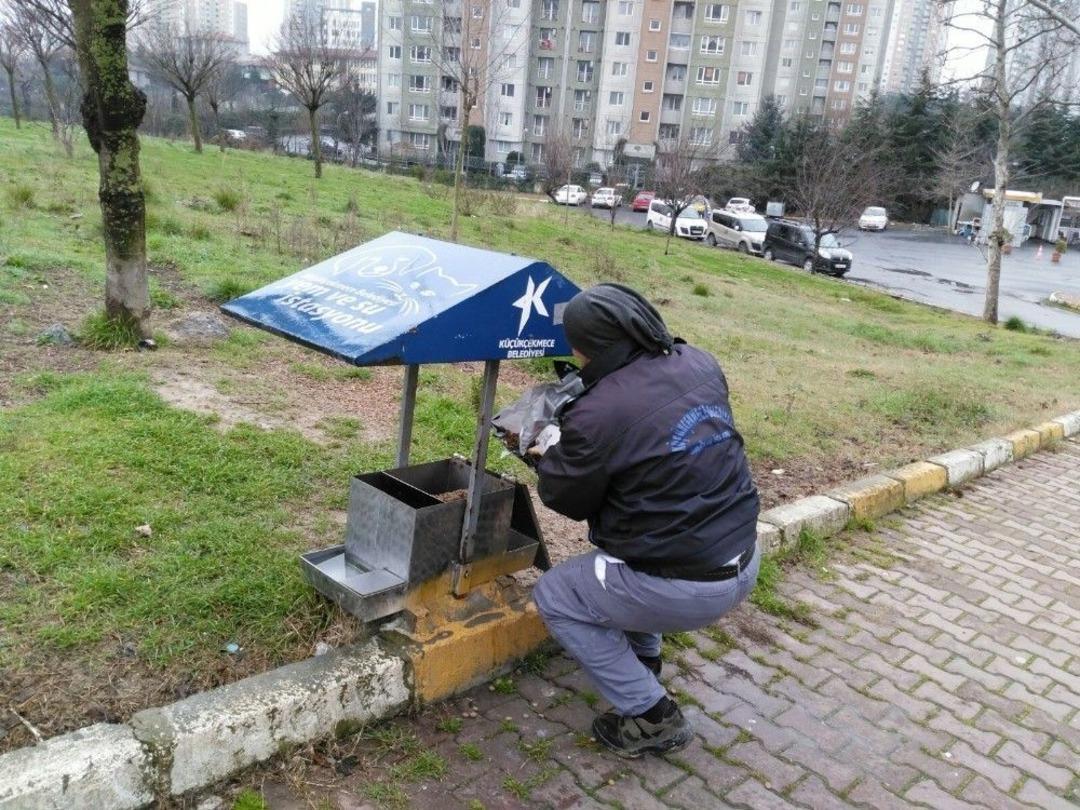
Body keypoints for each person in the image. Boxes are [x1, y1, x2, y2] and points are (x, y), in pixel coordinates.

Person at [530, 283, 761, 758]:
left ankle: (653, 716)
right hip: (742, 556)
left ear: (585, 346)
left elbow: (564, 498)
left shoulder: (599, 411)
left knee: (556, 594)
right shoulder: (698, 361)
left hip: (686, 589)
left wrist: (549, 451)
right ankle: (644, 660)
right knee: (626, 559)